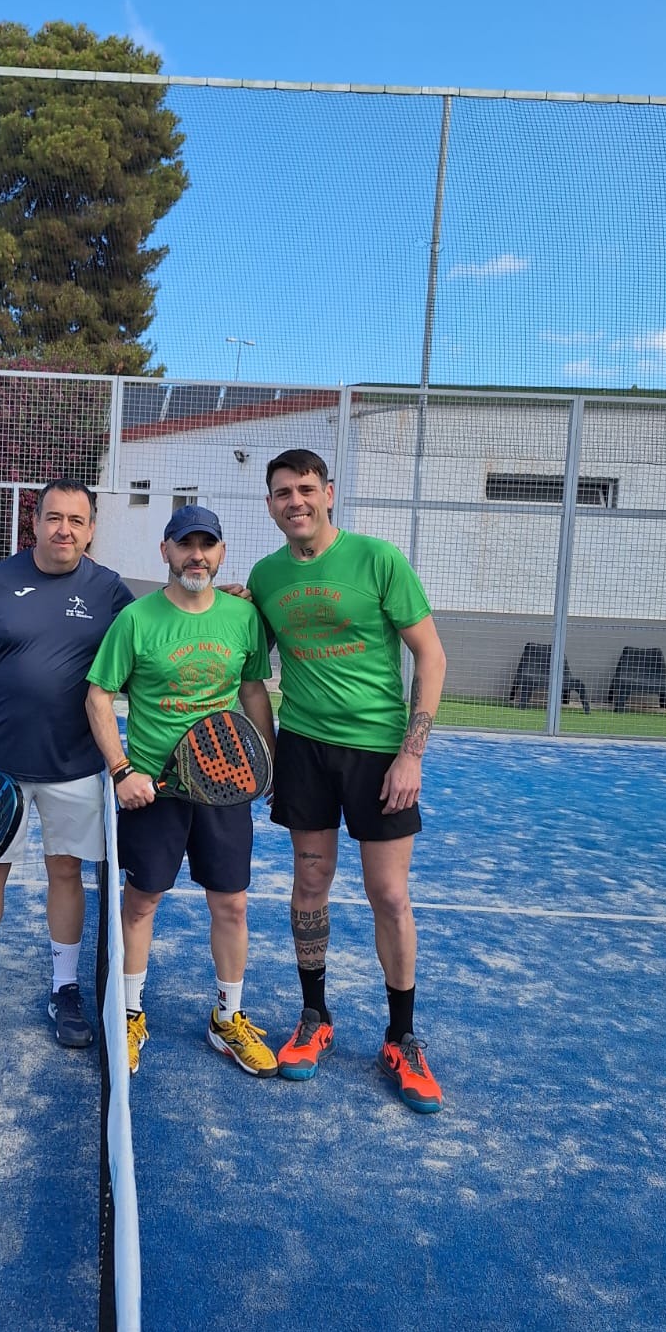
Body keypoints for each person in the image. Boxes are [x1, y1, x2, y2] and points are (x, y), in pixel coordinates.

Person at [246, 448, 447, 1112]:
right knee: (310, 885)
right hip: (304, 749)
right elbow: (252, 667)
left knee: (388, 893)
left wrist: (412, 754)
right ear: (270, 504)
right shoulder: (266, 576)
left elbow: (431, 655)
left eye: (306, 489)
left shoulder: (378, 560)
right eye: (283, 492)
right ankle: (315, 1017)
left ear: (328, 494)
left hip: (379, 752)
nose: (296, 501)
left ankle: (402, 1036)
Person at [0, 479, 135, 1049]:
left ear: (90, 529)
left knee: (65, 873)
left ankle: (65, 989)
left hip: (76, 765)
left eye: (76, 520)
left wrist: (224, 596)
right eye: (54, 518)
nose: (64, 529)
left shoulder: (111, 591)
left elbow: (164, 630)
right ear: (36, 522)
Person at [85, 505, 277, 1078]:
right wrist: (122, 771)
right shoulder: (136, 620)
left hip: (224, 786)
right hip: (155, 789)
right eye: (186, 544)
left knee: (232, 904)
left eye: (207, 545)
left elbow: (253, 690)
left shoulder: (243, 618)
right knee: (141, 902)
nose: (197, 555)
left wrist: (265, 764)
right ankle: (129, 1014)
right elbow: (98, 696)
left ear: (221, 554)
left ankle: (228, 1018)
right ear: (165, 551)